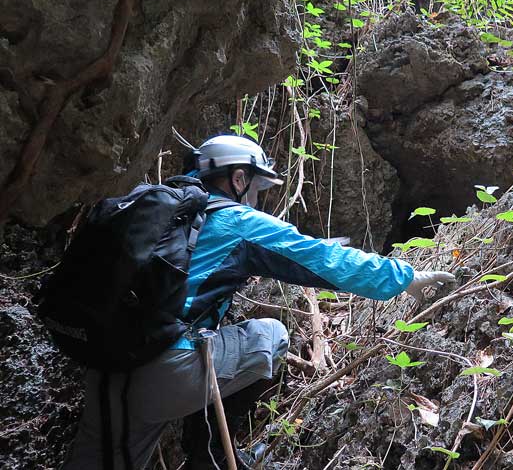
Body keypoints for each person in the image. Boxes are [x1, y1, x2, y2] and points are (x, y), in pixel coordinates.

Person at [62, 134, 455, 469]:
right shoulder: (237, 221)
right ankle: (212, 458)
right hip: (168, 372)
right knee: (272, 334)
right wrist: (405, 278)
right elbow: (323, 259)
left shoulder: (156, 216)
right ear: (237, 178)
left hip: (105, 368)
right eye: (254, 187)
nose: (255, 198)